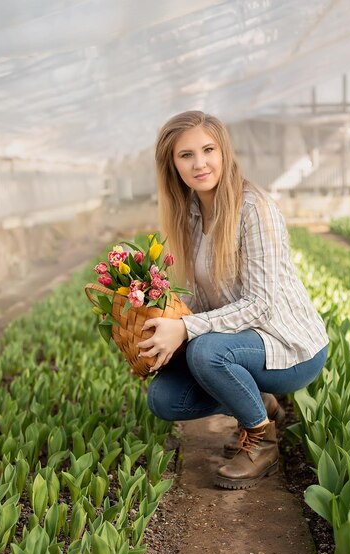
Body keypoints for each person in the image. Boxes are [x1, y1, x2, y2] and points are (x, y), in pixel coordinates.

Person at [137, 111, 328, 490]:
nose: (200, 163)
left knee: (206, 352)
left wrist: (187, 328)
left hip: (288, 346)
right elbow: (198, 297)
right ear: (172, 164)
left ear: (224, 152)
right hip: (237, 344)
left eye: (208, 150)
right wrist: (160, 323)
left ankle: (261, 440)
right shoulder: (188, 215)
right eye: (186, 155)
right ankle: (261, 405)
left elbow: (261, 304)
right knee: (163, 398)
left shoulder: (254, 209)